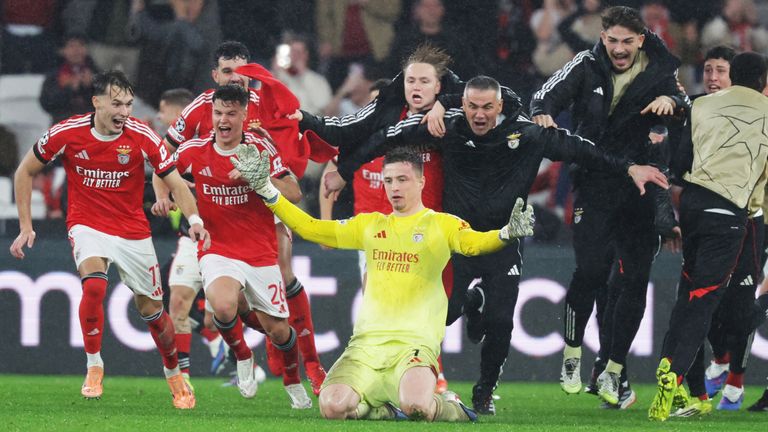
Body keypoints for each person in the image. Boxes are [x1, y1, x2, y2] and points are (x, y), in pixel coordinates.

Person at [329, 75, 669, 415]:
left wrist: (629, 167)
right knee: (441, 315)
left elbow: (582, 149)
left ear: (500, 106)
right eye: (473, 107)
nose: (479, 115)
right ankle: (467, 308)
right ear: (462, 105)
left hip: (502, 242)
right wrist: (345, 169)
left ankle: (484, 392)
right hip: (456, 243)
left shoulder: (528, 134)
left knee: (502, 321)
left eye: (487, 107)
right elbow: (387, 136)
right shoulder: (446, 127)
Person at [232, 144, 536, 422]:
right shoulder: (370, 225)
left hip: (413, 346)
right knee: (332, 407)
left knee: (417, 407)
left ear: (421, 182)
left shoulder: (441, 224)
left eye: (402, 179)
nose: (394, 187)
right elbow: (310, 228)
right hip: (365, 347)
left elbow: (473, 244)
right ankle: (382, 410)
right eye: (388, 180)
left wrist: (505, 234)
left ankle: (454, 408)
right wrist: (265, 189)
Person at [9, 70, 210, 409]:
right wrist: (25, 225)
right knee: (95, 287)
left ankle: (174, 372)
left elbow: (175, 182)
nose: (124, 112)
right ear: (96, 101)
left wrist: (194, 220)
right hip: (87, 223)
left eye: (129, 104)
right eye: (116, 104)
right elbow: (24, 171)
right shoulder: (67, 133)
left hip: (131, 229)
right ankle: (94, 366)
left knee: (153, 312)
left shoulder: (141, 135)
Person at [530, 5, 688, 407]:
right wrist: (541, 113)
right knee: (591, 270)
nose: (618, 49)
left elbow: (684, 109)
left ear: (640, 40)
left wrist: (672, 102)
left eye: (626, 42)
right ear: (603, 38)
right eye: (612, 40)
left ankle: (614, 370)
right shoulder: (586, 64)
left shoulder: (660, 72)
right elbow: (546, 94)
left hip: (640, 187)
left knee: (635, 279)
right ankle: (571, 355)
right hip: (596, 181)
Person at [164, 40, 327, 394]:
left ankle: (311, 365)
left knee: (284, 274)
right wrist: (171, 195)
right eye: (227, 72)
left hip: (265, 203)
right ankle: (259, 348)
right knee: (219, 309)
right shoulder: (202, 108)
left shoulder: (266, 101)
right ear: (214, 75)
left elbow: (291, 148)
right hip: (217, 218)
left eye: (243, 73)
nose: (236, 79)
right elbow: (167, 155)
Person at [650, 51, 768, 422]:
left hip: (694, 207)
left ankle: (692, 387)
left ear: (734, 75)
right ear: (763, 80)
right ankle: (676, 369)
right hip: (733, 214)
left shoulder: (700, 105)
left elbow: (681, 164)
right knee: (706, 302)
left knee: (688, 295)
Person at [152, 87, 236, 386]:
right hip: (191, 236)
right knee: (176, 302)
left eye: (164, 111)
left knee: (218, 318)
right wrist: (163, 196)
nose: (160, 118)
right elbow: (160, 170)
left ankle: (238, 357)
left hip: (228, 239)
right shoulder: (184, 151)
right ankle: (182, 381)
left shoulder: (220, 144)